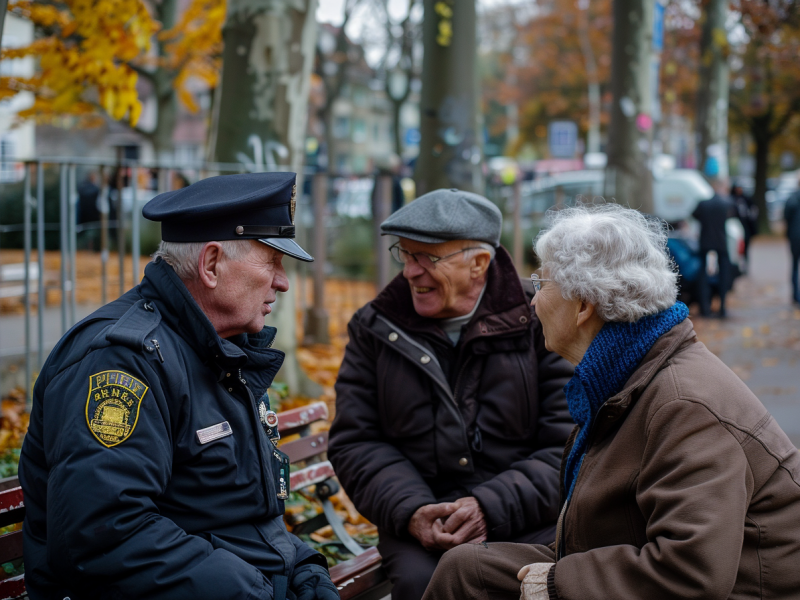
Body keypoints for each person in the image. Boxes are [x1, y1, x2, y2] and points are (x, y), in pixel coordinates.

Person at [422, 204, 800, 600]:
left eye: (542, 285)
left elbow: (691, 575)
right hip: (643, 568)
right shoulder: (629, 375)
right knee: (465, 571)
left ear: (584, 306)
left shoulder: (683, 404)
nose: (532, 303)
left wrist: (553, 584)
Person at [19, 173, 340, 600]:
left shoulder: (213, 349)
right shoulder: (122, 361)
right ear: (210, 265)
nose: (282, 281)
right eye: (271, 262)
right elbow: (103, 537)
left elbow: (232, 514)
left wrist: (303, 567)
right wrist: (259, 593)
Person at [328, 189, 574, 600]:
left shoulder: (540, 322)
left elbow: (568, 442)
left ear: (478, 263)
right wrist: (412, 512)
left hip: (531, 518)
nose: (410, 272)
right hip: (423, 528)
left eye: (427, 257)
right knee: (425, 586)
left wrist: (488, 507)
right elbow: (357, 440)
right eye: (404, 255)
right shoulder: (374, 329)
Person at [692, 186, 736, 317]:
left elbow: (694, 215)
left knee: (703, 276)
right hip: (721, 242)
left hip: (705, 242)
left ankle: (705, 307)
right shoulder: (726, 204)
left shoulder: (703, 204)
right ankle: (722, 307)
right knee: (724, 275)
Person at [730, 183, 757, 260]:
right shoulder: (732, 199)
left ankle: (745, 258)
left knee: (746, 242)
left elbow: (753, 210)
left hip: (745, 224)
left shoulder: (746, 199)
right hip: (736, 224)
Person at [785, 182, 800, 305]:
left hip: (795, 237)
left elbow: (786, 217)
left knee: (794, 266)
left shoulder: (792, 199)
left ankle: (796, 295)